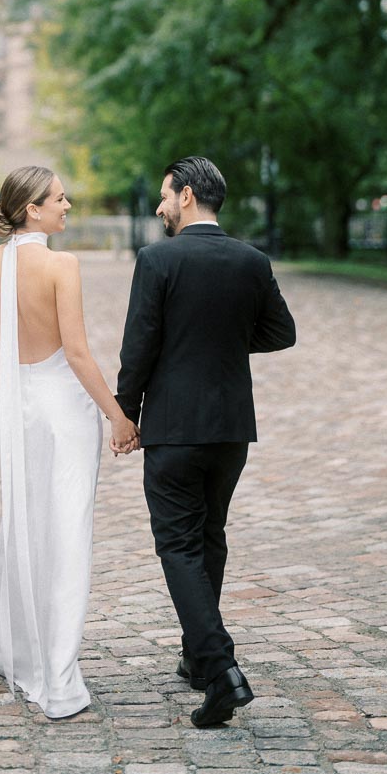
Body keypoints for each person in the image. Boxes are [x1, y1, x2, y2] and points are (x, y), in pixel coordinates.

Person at [0, 165, 139, 719]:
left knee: (21, 521)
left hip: (16, 408)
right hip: (63, 409)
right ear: (32, 209)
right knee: (66, 528)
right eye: (59, 198)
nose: (68, 204)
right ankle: (56, 672)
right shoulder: (60, 265)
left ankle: (3, 643)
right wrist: (118, 417)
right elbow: (75, 352)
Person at [115, 155, 296, 728]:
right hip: (230, 429)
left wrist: (125, 413)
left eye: (166, 196)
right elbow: (281, 332)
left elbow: (139, 347)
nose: (162, 206)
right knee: (209, 536)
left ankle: (220, 671)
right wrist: (219, 344)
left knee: (178, 545)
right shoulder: (251, 259)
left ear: (187, 195)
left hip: (174, 427)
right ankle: (198, 658)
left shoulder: (157, 259)